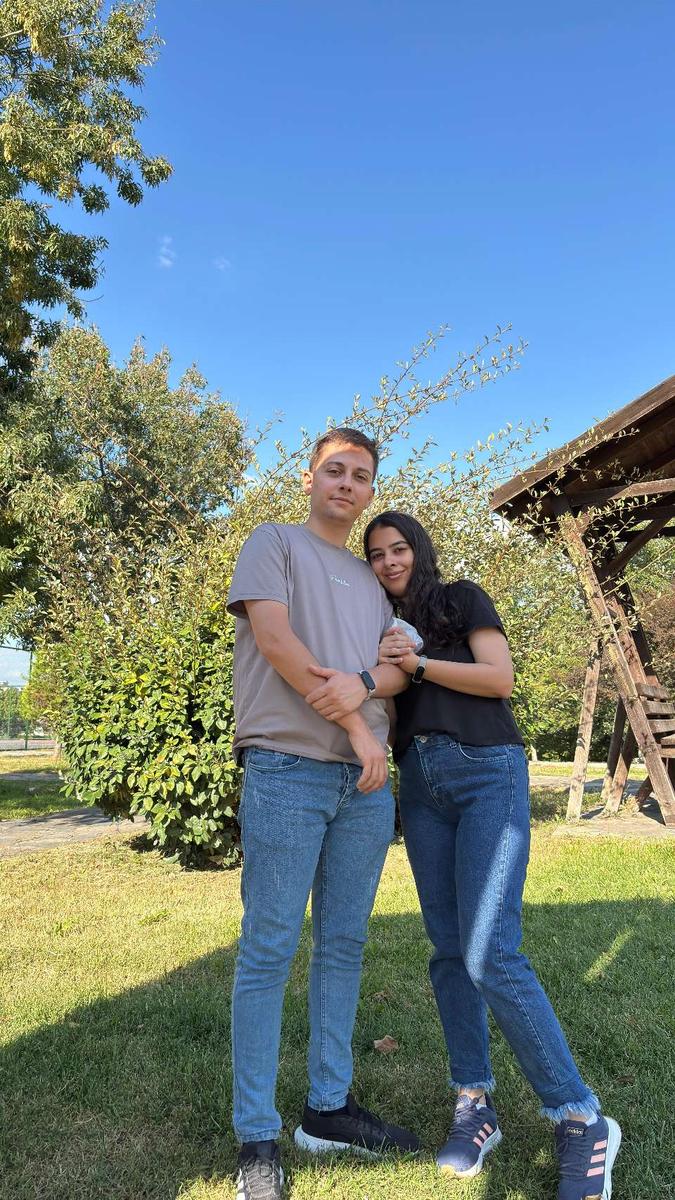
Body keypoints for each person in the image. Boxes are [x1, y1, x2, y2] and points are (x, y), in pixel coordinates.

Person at [306, 509, 622, 1200]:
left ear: (418, 550)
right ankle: (474, 1101)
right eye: (376, 554)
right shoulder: (378, 625)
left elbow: (499, 678)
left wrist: (417, 663)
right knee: (449, 951)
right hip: (421, 787)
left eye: (399, 549)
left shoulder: (460, 599)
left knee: (489, 952)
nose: (389, 561)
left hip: (485, 772)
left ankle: (580, 1116)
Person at [227, 436, 419, 1200]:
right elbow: (276, 642)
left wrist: (368, 691)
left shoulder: (375, 582)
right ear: (309, 476)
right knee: (268, 948)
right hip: (288, 767)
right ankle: (256, 1137)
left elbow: (396, 671)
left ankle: (327, 1109)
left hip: (362, 787)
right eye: (334, 470)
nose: (346, 483)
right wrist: (358, 730)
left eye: (360, 476)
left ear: (370, 491)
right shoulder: (272, 544)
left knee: (342, 944)